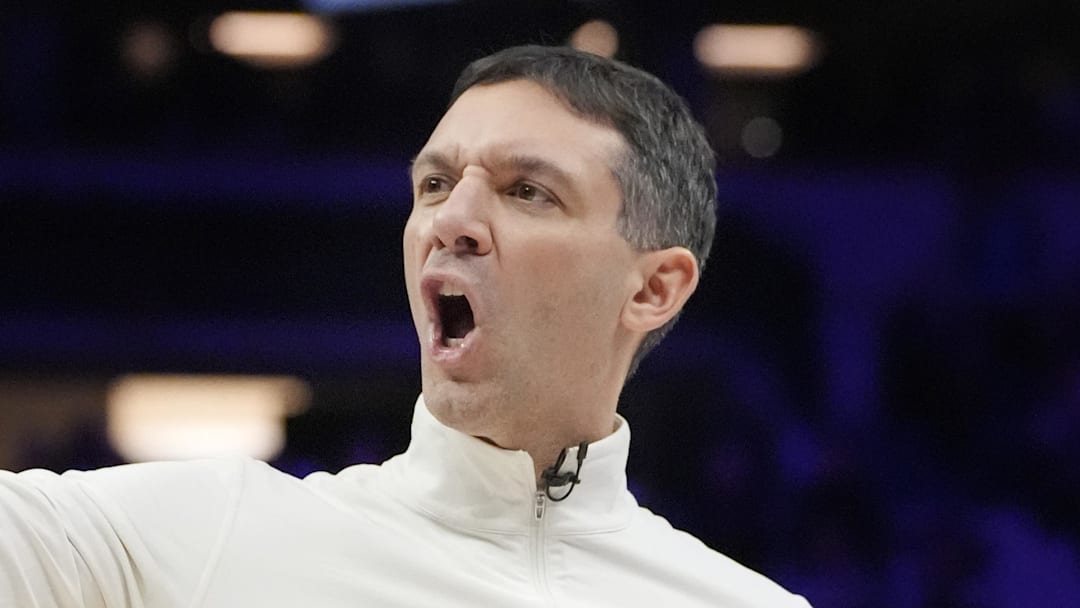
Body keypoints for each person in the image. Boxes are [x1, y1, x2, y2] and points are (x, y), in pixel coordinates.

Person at [0, 45, 811, 607]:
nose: (451, 219)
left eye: (528, 191)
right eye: (435, 183)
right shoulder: (210, 532)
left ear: (654, 288)